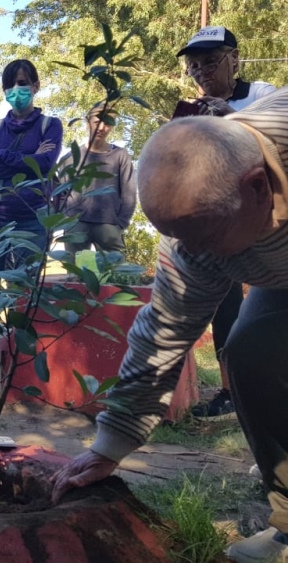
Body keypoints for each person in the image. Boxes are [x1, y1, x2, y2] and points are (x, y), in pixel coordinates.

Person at [48, 96, 288, 562]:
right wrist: (109, 446)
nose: (192, 252)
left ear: (258, 187)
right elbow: (162, 333)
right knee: (250, 353)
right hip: (276, 270)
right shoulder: (196, 228)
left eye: (204, 239)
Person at [175, 26, 277, 421]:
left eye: (210, 62)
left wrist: (231, 118)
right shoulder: (196, 110)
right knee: (225, 310)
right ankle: (230, 392)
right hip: (222, 230)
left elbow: (276, 146)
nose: (201, 72)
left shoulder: (264, 94)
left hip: (270, 230)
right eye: (194, 66)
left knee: (268, 321)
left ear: (235, 59)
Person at [0, 59, 63, 328]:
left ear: (35, 86)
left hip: (33, 218)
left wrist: (3, 156)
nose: (16, 89)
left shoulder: (50, 125)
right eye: (9, 85)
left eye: (22, 83)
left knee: (24, 286)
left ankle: (19, 352)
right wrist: (29, 157)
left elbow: (45, 165)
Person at [60, 104, 136, 253]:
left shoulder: (120, 156)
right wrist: (66, 221)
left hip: (109, 226)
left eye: (108, 123)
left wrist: (120, 223)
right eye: (97, 122)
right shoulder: (69, 158)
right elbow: (61, 194)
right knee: (75, 274)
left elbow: (129, 193)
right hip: (76, 226)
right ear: (87, 123)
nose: (101, 127)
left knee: (116, 273)